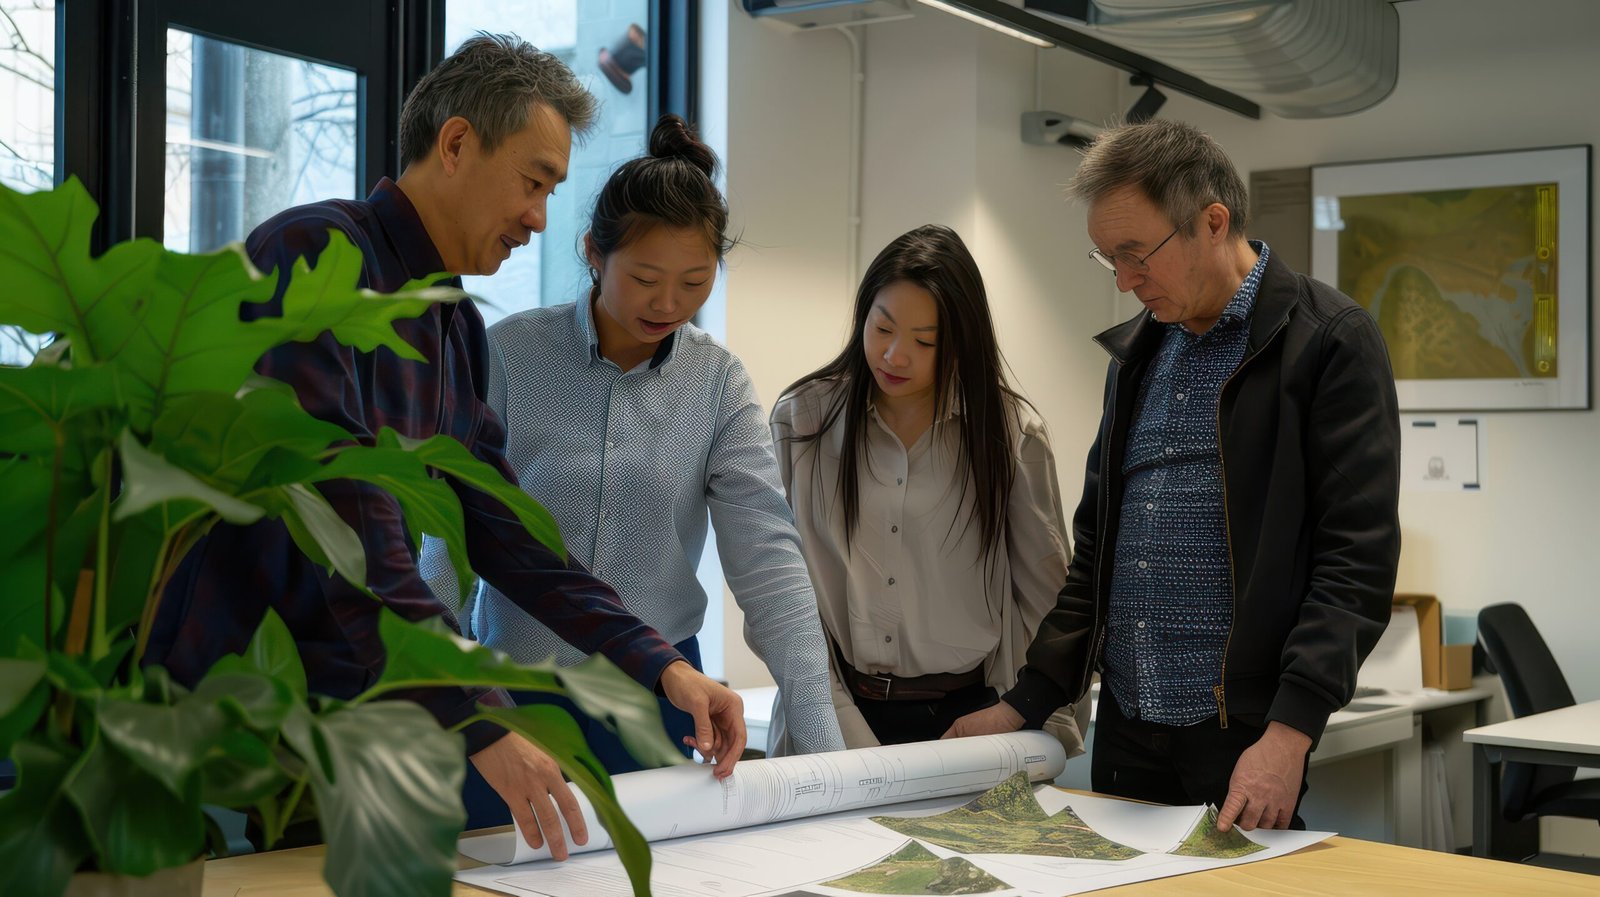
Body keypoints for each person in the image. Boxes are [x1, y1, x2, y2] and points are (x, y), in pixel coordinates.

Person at [145, 34, 745, 860]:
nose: (540, 217)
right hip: (224, 719)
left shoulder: (453, 324)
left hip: (354, 723)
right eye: (533, 182)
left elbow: (507, 529)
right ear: (457, 143)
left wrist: (661, 663)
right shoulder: (317, 255)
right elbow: (346, 522)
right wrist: (477, 716)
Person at [945, 119, 1400, 834]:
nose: (1124, 281)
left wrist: (1290, 733)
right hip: (1128, 724)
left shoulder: (1327, 342)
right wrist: (1026, 701)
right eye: (1109, 260)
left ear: (1212, 222)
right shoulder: (1138, 358)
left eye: (1136, 255)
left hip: (1241, 734)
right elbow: (1096, 555)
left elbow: (1356, 560)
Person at [419, 114, 845, 766]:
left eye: (695, 282)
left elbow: (769, 563)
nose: (668, 303)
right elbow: (446, 530)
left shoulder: (717, 383)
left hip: (659, 694)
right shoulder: (506, 355)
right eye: (645, 279)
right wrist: (437, 688)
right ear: (594, 252)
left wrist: (825, 750)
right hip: (515, 692)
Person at [771, 224, 1086, 752]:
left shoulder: (1008, 433)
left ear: (962, 344)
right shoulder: (805, 422)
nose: (895, 356)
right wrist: (842, 730)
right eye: (882, 328)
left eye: (924, 342)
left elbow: (1046, 596)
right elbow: (779, 591)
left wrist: (1041, 724)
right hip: (837, 710)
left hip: (971, 720)